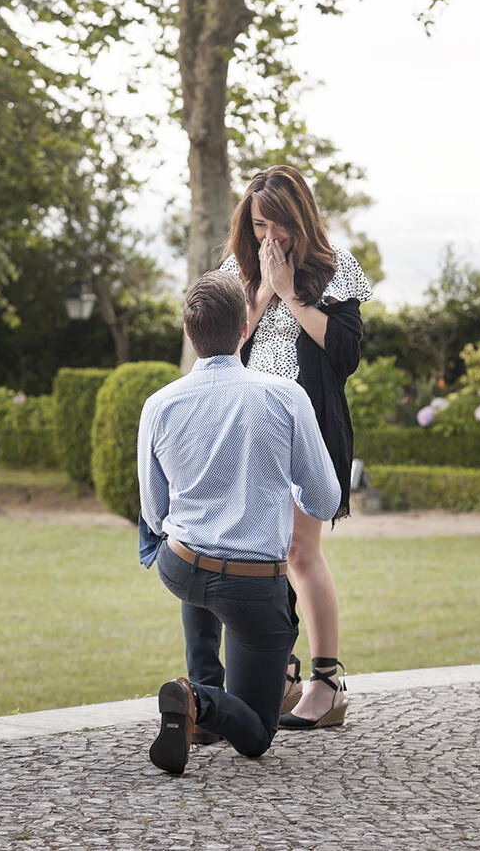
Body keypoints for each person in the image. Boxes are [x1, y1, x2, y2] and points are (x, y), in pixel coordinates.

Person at [138, 270, 341, 775]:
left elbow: (152, 511)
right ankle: (200, 702)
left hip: (181, 567)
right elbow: (323, 497)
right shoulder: (285, 396)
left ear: (190, 333)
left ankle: (202, 699)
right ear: (245, 329)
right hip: (251, 589)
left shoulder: (159, 404)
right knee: (255, 733)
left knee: (185, 551)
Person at [218, 165, 373, 730]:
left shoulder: (335, 271)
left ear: (301, 219)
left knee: (301, 553)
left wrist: (291, 296)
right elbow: (219, 355)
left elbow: (346, 357)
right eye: (261, 225)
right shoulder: (234, 274)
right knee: (263, 555)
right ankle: (280, 672)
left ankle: (326, 681)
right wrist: (258, 298)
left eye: (281, 225)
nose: (271, 237)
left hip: (310, 426)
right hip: (249, 429)